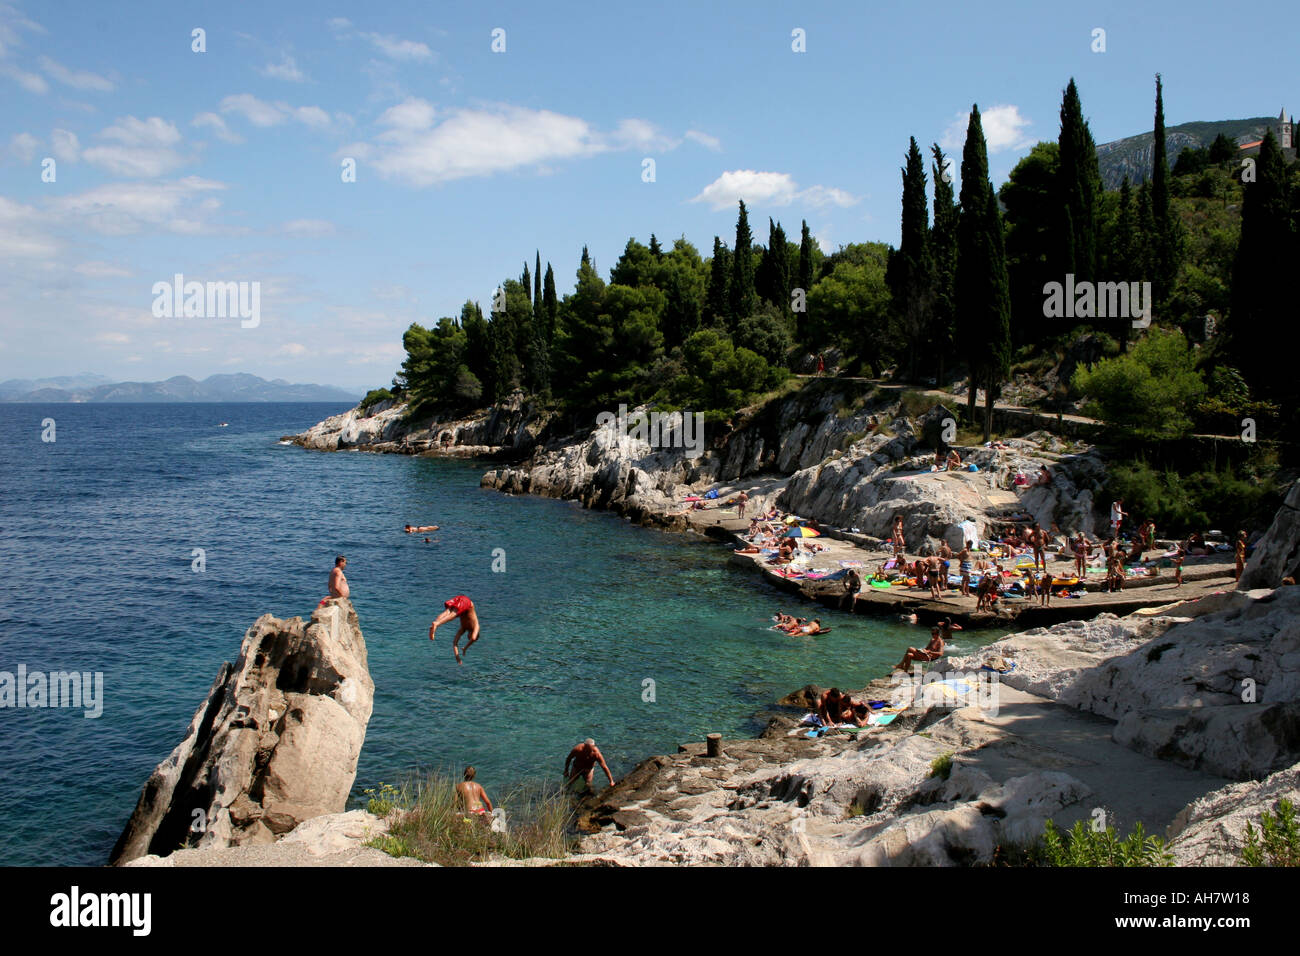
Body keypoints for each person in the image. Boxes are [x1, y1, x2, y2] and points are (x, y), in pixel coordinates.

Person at [428, 594, 481, 664]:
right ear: (476, 633)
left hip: (461, 599)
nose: (469, 638)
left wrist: (457, 657)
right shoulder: (476, 625)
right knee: (453, 614)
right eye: (470, 638)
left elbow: (455, 643)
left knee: (447, 613)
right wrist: (465, 648)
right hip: (467, 602)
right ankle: (436, 624)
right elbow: (474, 638)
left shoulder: (463, 629)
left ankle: (435, 623)